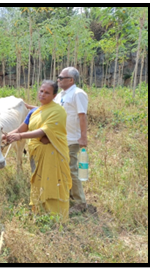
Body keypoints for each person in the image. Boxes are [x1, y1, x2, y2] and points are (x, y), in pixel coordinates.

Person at [3, 80, 72, 220]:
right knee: (38, 180)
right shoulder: (34, 112)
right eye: (41, 91)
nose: (43, 94)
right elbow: (22, 128)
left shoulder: (58, 111)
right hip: (36, 153)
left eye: (47, 92)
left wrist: (20, 136)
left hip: (54, 154)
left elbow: (44, 131)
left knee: (54, 181)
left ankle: (57, 216)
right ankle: (40, 213)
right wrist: (8, 135)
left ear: (54, 95)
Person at [54, 67, 88, 213]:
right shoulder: (60, 95)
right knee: (62, 169)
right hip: (60, 139)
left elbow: (82, 116)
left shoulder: (77, 94)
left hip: (72, 139)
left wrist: (83, 137)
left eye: (61, 77)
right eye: (58, 77)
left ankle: (80, 202)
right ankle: (67, 196)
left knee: (72, 170)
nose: (58, 80)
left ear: (71, 80)